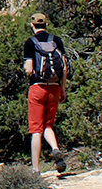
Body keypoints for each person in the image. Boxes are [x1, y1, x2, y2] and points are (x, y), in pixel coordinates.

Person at [22, 14, 69, 173]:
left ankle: (35, 169)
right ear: (46, 24)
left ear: (32, 25)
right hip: (54, 88)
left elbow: (28, 68)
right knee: (48, 124)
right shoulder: (57, 41)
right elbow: (64, 67)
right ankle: (55, 148)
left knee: (36, 129)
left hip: (37, 88)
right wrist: (63, 89)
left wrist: (28, 69)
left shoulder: (30, 43)